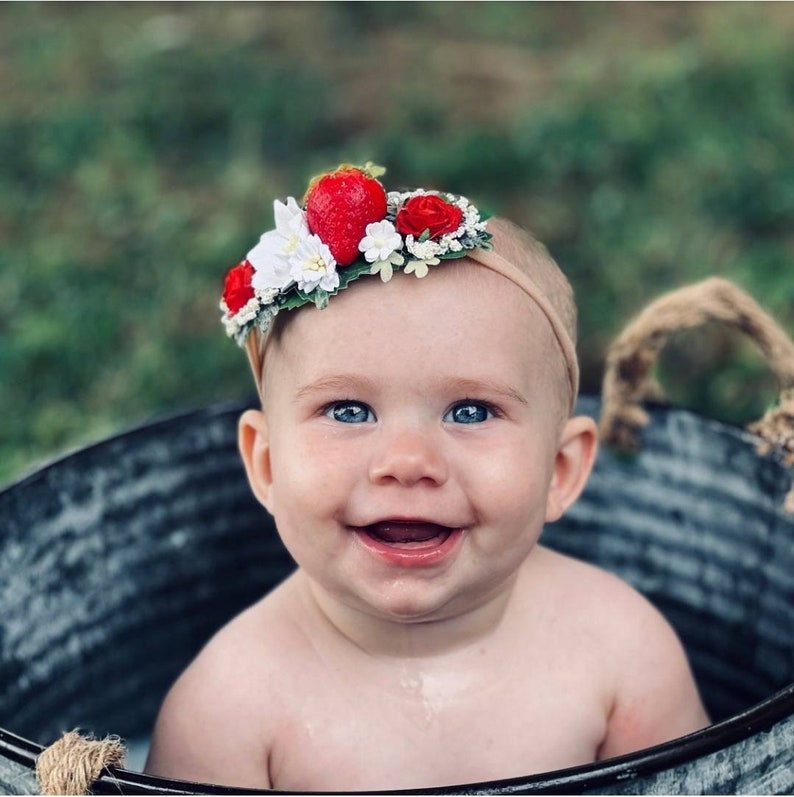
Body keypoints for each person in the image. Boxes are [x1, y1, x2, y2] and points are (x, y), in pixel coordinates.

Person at [144, 164, 709, 791]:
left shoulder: (622, 649)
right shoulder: (229, 710)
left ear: (560, 469)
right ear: (268, 465)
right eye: (348, 411)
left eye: (470, 412)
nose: (408, 462)